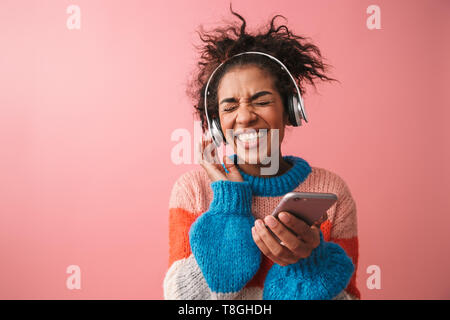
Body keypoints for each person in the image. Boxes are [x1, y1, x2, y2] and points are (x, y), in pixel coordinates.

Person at [163, 6, 360, 300]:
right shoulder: (193, 191)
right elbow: (183, 303)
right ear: (217, 126)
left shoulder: (331, 192)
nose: (244, 117)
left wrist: (309, 265)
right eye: (229, 107)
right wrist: (229, 204)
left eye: (262, 101)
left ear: (290, 111)